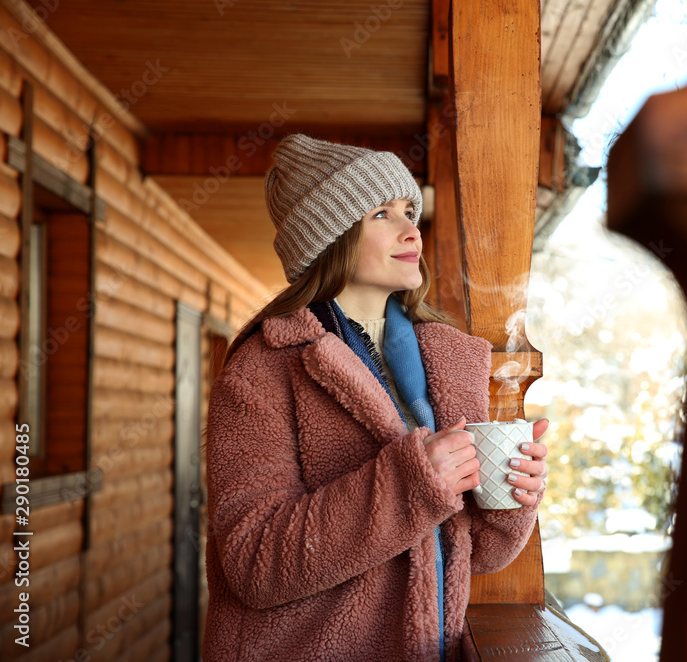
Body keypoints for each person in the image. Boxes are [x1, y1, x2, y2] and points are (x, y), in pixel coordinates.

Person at [202, 134, 549, 662]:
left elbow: (477, 553)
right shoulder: (262, 369)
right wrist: (412, 482)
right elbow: (254, 562)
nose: (412, 229)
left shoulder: (449, 359)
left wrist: (513, 494)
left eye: (410, 209)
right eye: (381, 214)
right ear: (329, 238)